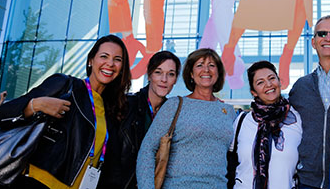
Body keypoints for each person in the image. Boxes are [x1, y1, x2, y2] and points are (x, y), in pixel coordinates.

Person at [0, 35, 132, 188]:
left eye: (117, 59)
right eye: (104, 56)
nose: (110, 63)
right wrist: (36, 105)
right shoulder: (65, 85)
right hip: (37, 183)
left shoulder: (112, 108)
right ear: (91, 61)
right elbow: (0, 115)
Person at [137, 48, 236, 188]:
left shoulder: (229, 112)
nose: (206, 70)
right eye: (200, 65)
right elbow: (148, 149)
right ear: (191, 73)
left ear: (218, 73)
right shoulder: (175, 105)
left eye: (211, 65)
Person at [101, 51, 181, 188]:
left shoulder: (173, 114)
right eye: (158, 72)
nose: (164, 79)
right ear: (149, 75)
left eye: (171, 74)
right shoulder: (127, 105)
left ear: (175, 80)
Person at [289, 15, 330, 189]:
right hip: (306, 181)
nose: (328, 38)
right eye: (322, 33)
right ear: (314, 42)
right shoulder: (301, 86)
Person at [232, 61, 302, 189]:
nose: (268, 85)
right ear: (253, 91)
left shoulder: (297, 119)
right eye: (260, 82)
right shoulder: (242, 121)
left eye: (271, 78)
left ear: (279, 81)